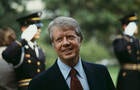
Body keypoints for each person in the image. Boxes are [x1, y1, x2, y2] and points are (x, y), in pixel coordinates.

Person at [28, 16, 115, 90]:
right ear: (53, 45)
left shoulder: (101, 73)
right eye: (59, 39)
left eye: (70, 37)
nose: (65, 43)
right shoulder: (39, 84)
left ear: (80, 40)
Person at [2, 12, 46, 90]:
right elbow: (6, 55)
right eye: (35, 28)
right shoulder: (20, 48)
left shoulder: (40, 50)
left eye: (39, 28)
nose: (39, 30)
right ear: (24, 29)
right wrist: (23, 40)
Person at [113, 12, 140, 90]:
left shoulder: (136, 41)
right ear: (125, 26)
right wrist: (127, 35)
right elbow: (120, 52)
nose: (136, 27)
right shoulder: (119, 40)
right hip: (127, 76)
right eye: (133, 25)